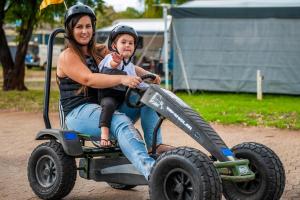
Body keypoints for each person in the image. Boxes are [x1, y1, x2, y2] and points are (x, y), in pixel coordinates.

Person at [56, 4, 173, 180]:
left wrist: (148, 74)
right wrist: (122, 79)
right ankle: (153, 173)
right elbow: (89, 79)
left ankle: (154, 146)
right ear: (70, 30)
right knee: (120, 121)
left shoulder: (99, 50)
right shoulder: (67, 56)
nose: (84, 31)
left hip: (103, 107)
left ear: (93, 28)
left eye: (88, 26)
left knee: (148, 98)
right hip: (78, 113)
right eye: (79, 27)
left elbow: (125, 61)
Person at [97, 25, 153, 147]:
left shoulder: (131, 66)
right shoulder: (110, 58)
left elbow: (138, 82)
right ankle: (104, 134)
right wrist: (115, 62)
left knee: (145, 98)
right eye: (123, 42)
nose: (127, 45)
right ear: (114, 46)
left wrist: (150, 86)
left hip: (123, 96)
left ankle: (151, 143)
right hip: (108, 94)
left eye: (131, 43)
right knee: (108, 104)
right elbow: (110, 65)